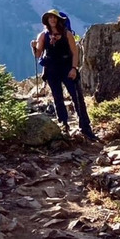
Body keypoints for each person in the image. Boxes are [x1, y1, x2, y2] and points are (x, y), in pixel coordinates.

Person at [31, 9, 98, 141]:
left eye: (54, 18)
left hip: (67, 68)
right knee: (57, 98)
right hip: (51, 70)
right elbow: (38, 55)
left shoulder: (67, 34)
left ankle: (85, 128)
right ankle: (64, 125)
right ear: (47, 21)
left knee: (77, 97)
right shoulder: (43, 36)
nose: (52, 20)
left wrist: (74, 68)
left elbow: (74, 52)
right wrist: (33, 47)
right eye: (50, 18)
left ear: (59, 20)